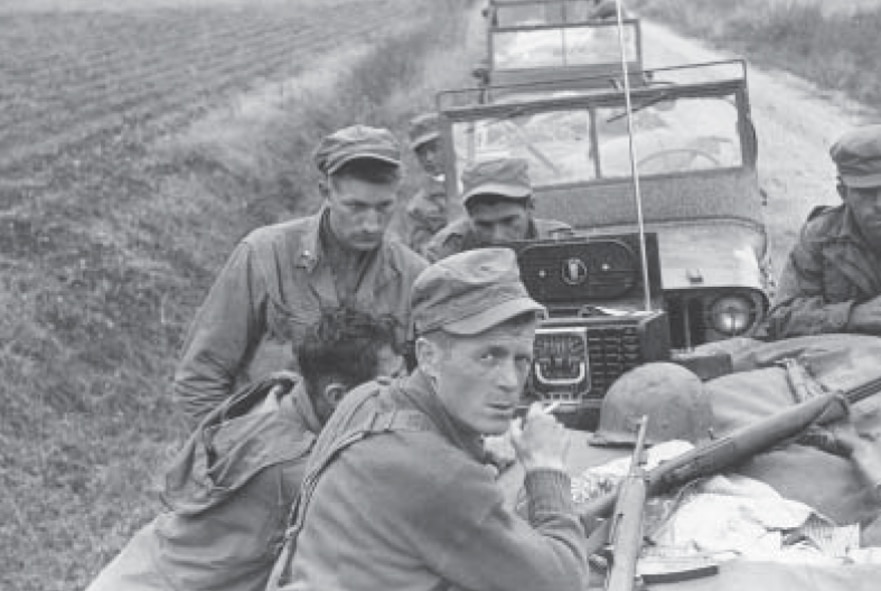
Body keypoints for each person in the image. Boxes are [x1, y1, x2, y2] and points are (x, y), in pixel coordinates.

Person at [268, 248, 588, 591]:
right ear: (428, 357)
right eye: (489, 356)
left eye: (521, 359)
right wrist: (546, 469)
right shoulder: (440, 475)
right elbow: (563, 580)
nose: (510, 381)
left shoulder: (366, 398)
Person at [86, 308, 400, 591]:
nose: (402, 391)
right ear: (336, 395)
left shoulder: (280, 392)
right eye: (390, 383)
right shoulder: (294, 469)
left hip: (143, 567)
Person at [174, 124, 427, 423]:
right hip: (273, 449)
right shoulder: (264, 255)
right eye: (355, 207)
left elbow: (432, 385)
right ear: (325, 192)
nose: (371, 224)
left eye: (384, 207)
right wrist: (235, 454)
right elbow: (200, 377)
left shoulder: (415, 276)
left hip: (371, 454)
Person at [766, 124, 881, 339]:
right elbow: (781, 319)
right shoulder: (821, 237)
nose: (879, 204)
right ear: (843, 193)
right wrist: (852, 316)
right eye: (866, 193)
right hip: (848, 365)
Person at [423, 157, 571, 262]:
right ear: (468, 215)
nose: (497, 237)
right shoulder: (446, 251)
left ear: (530, 206)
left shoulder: (559, 242)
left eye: (509, 221)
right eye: (484, 225)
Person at [388, 113, 452, 255]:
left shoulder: (480, 182)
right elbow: (425, 254)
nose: (429, 158)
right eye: (421, 153)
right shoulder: (418, 208)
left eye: (435, 148)